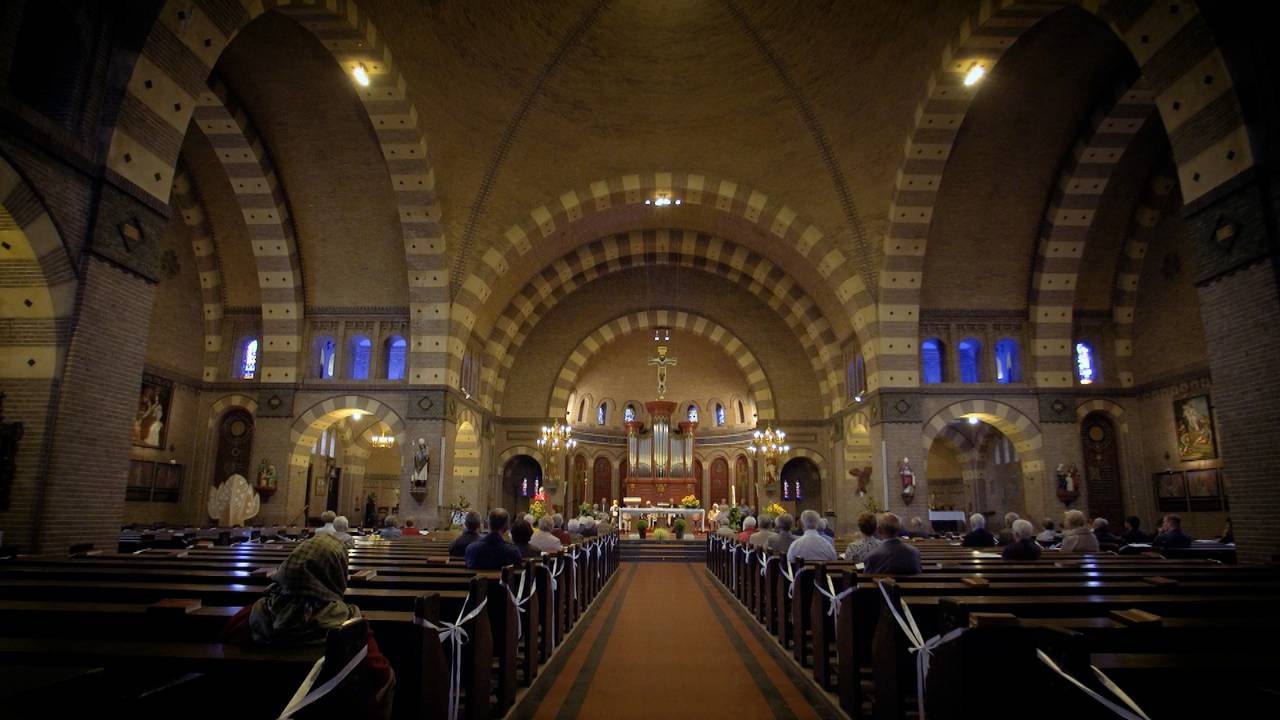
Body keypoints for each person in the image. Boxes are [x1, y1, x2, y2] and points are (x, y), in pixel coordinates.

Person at [221, 534, 395, 714]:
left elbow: (226, 653)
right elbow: (381, 675)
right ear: (336, 572)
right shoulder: (350, 626)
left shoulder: (252, 615)